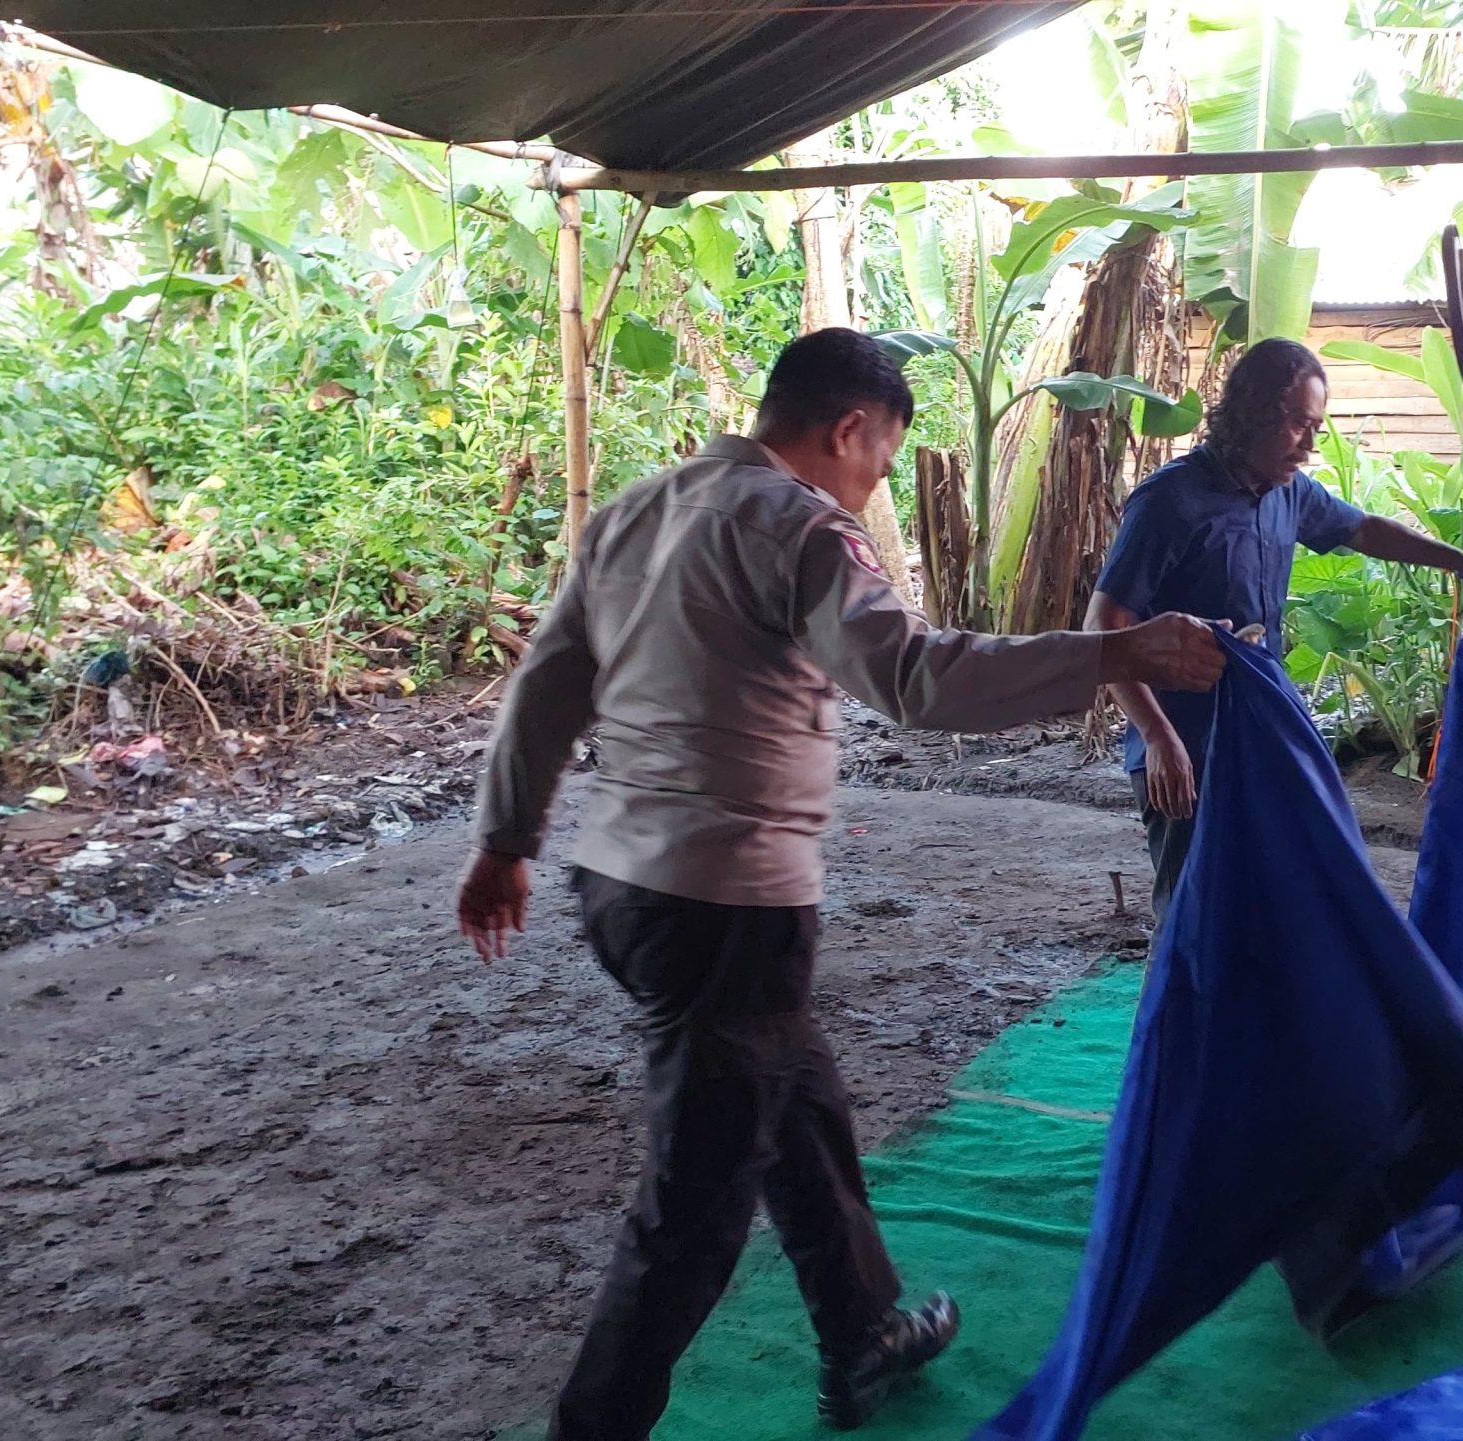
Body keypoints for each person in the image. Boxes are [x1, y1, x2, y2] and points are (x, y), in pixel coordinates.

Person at [456, 328, 1228, 1441]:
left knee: (799, 1103)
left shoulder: (640, 507)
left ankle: (861, 1326)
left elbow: (548, 682)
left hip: (621, 886)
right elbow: (911, 676)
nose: (871, 489)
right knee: (692, 1210)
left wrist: (506, 839)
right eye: (877, 463)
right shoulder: (800, 526)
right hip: (725, 902)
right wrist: (1115, 651)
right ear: (848, 429)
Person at [1087, 337, 1463, 926]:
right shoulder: (1172, 500)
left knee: (1276, 895)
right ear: (1250, 412)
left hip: (1261, 729)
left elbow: (1365, 530)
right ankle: (1180, 1018)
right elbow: (1105, 625)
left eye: (1315, 425)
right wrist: (1159, 739)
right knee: (1194, 910)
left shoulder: (1288, 492)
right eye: (1297, 423)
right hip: (1184, 742)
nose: (1310, 442)